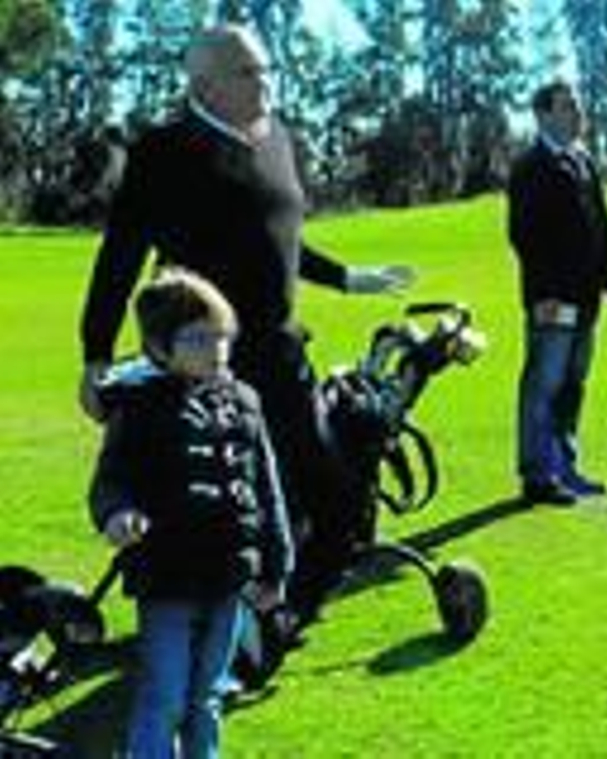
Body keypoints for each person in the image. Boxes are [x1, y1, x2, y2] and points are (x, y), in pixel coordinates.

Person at [78, 25, 413, 625]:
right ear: (203, 85)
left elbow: (279, 237)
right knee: (218, 502)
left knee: (332, 497)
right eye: (247, 73)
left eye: (265, 69)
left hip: (280, 357)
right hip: (198, 363)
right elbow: (120, 257)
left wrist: (347, 277)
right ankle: (215, 627)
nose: (265, 82)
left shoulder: (278, 139)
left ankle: (280, 617)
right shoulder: (163, 151)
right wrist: (95, 354)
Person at [90, 268, 293, 759]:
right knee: (165, 696)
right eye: (198, 338)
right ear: (160, 348)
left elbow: (267, 486)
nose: (215, 348)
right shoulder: (139, 408)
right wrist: (117, 514)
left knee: (208, 695)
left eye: (222, 335)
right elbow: (110, 479)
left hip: (228, 578)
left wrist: (276, 563)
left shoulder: (244, 403)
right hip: (167, 578)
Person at [508, 80, 607, 506]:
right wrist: (544, 296)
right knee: (545, 384)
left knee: (574, 383)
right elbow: (523, 238)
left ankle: (564, 465)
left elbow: (601, 228)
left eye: (577, 107)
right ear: (542, 115)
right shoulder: (531, 166)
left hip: (587, 298)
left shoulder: (583, 163)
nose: (577, 114)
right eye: (567, 108)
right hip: (552, 301)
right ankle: (537, 475)